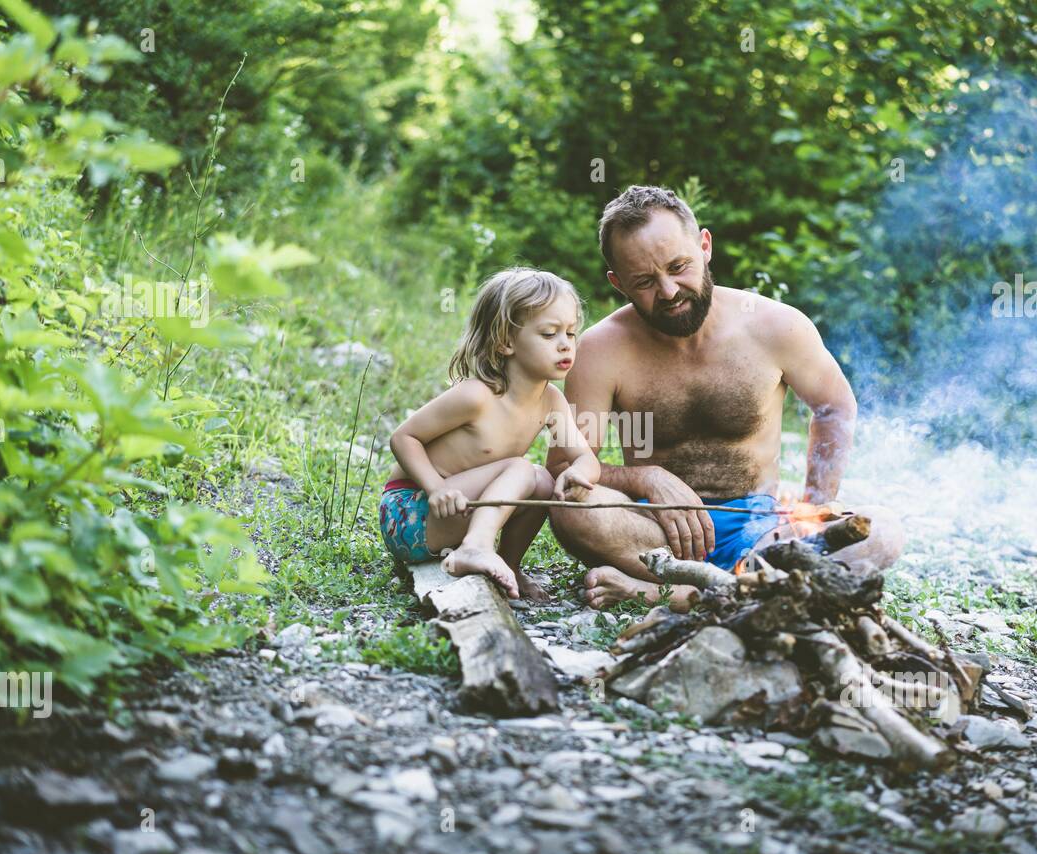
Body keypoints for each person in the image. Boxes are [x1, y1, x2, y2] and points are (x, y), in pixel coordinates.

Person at [545, 185, 904, 610]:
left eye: (679, 266)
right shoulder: (600, 349)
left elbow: (834, 405)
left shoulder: (775, 325)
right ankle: (745, 590)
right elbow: (567, 466)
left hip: (761, 529)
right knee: (569, 507)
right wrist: (648, 478)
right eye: (643, 281)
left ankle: (676, 591)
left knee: (883, 530)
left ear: (705, 245)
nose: (668, 291)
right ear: (618, 282)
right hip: (653, 529)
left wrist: (814, 507)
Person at [383, 267, 600, 600]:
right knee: (521, 468)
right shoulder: (477, 395)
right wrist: (436, 487)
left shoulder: (551, 400)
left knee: (541, 481)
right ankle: (475, 546)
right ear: (505, 342)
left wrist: (578, 472)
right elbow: (403, 438)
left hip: (454, 513)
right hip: (411, 513)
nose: (564, 346)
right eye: (549, 334)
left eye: (570, 334)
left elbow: (584, 456)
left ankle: (509, 565)